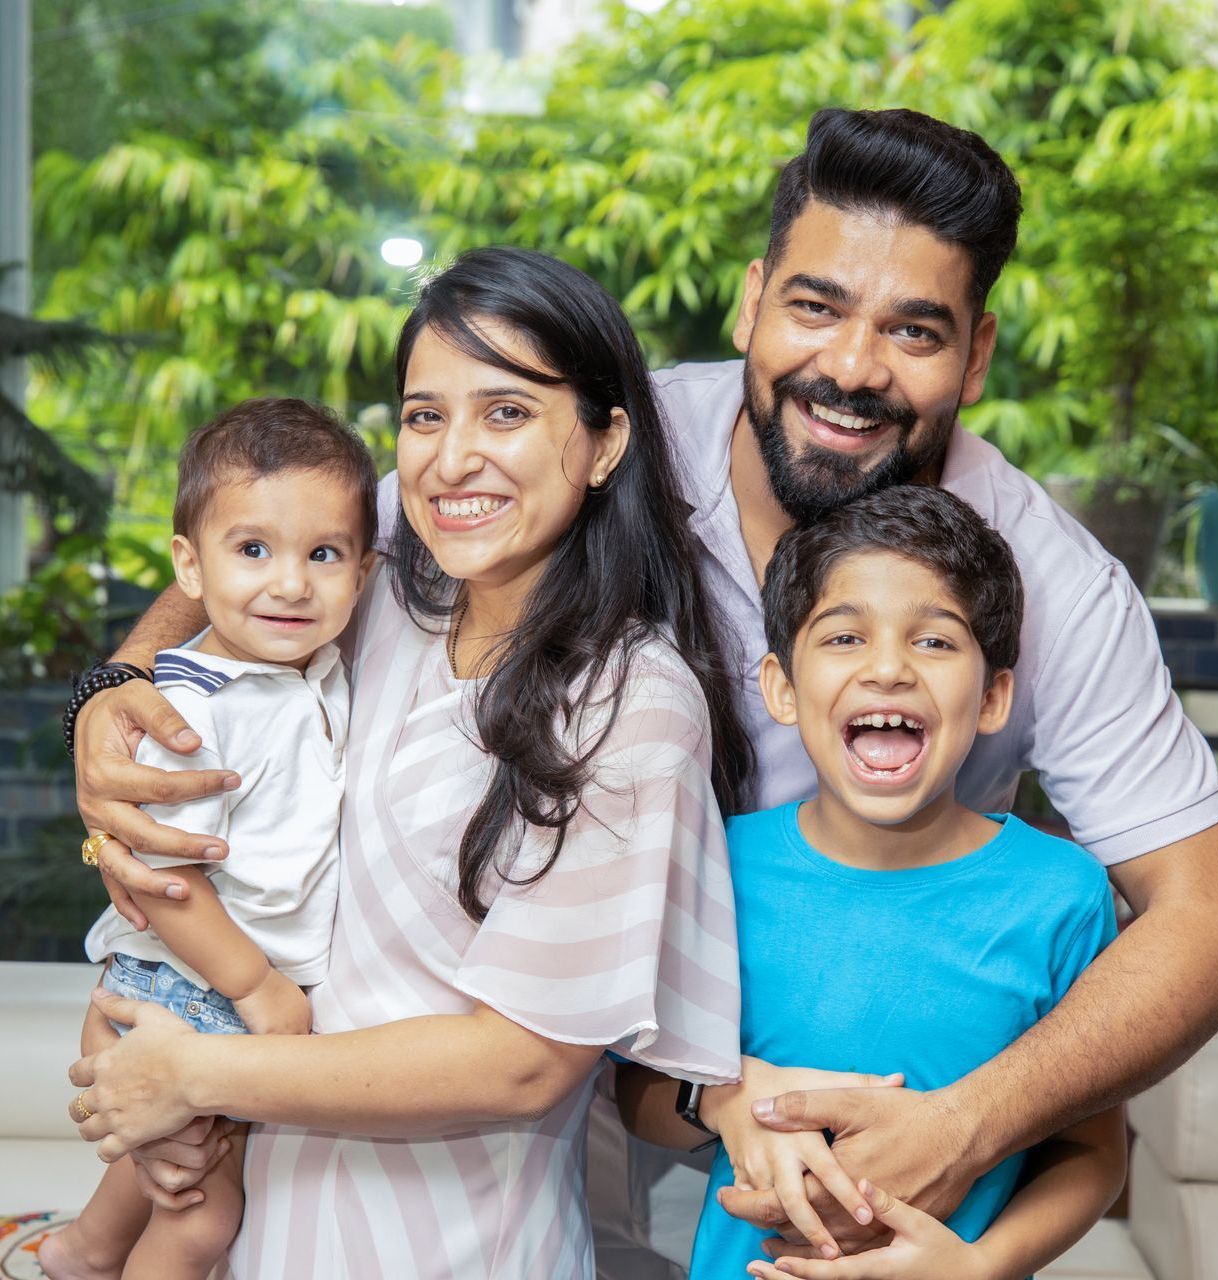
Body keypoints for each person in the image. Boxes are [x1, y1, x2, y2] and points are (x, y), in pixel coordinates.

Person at [72, 109, 1218, 1271]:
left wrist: (965, 1120)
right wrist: (122, 686)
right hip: (575, 1058)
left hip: (817, 1041)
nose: (848, 367)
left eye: (913, 330)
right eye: (813, 306)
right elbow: (317, 539)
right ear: (753, 300)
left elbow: (1216, 924)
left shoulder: (1044, 578)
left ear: (976, 352)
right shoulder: (610, 448)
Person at [61, 246, 768, 1279]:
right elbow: (239, 545)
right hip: (263, 1213)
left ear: (605, 440)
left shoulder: (631, 701)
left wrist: (194, 1070)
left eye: (507, 412)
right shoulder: (378, 596)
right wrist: (104, 700)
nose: (448, 458)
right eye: (423, 415)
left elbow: (523, 1060)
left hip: (455, 1244)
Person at [619, 486, 1128, 1280]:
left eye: (934, 642)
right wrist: (725, 1098)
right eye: (846, 636)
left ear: (994, 696)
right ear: (782, 687)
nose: (888, 668)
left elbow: (1093, 1153)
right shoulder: (714, 863)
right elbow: (640, 1095)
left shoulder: (1062, 896)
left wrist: (982, 1266)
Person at [41, 398, 378, 1280]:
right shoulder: (197, 710)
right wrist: (260, 988)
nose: (292, 583)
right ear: (189, 565)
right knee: (200, 1218)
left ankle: (77, 1254)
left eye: (325, 554)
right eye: (253, 549)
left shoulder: (320, 671)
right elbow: (159, 875)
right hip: (180, 989)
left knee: (174, 1190)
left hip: (211, 991)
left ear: (367, 570)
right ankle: (80, 1253)